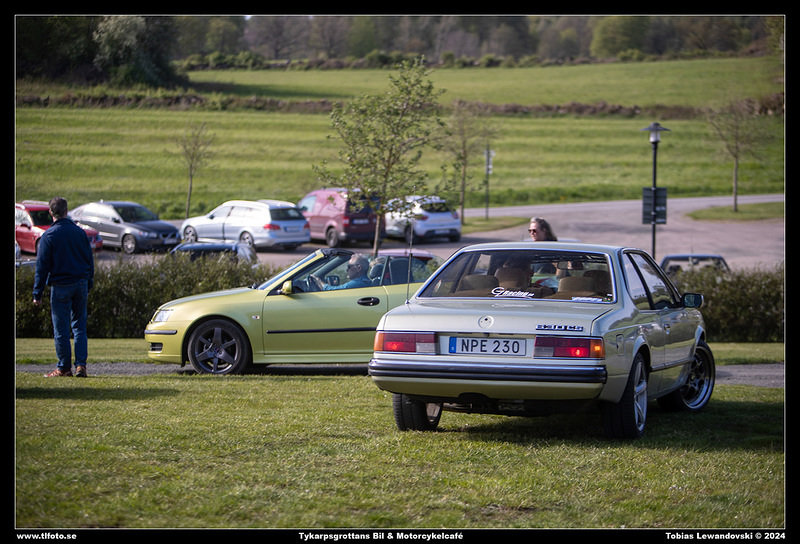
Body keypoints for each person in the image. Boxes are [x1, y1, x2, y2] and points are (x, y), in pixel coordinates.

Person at [32, 197, 94, 378]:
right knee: (79, 327)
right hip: (80, 283)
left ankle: (64, 367)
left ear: (50, 212)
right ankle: (81, 366)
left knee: (61, 329)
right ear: (67, 211)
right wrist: (89, 282)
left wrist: (37, 293)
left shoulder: (49, 236)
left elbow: (42, 267)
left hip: (60, 286)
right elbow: (89, 261)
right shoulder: (80, 233)